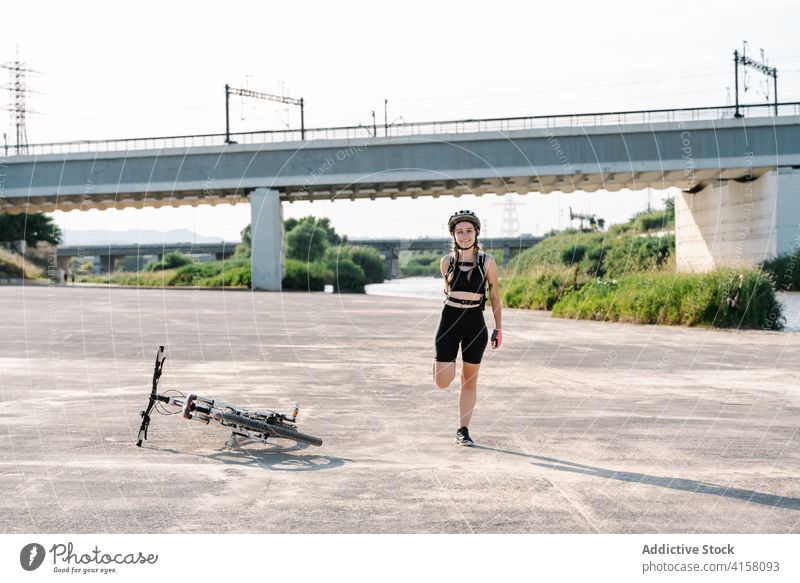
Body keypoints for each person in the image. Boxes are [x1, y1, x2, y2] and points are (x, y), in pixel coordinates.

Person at [433, 209, 502, 446]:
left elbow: (494, 296)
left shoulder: (487, 262)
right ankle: (443, 364)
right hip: (449, 321)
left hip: (475, 324)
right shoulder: (446, 263)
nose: (464, 236)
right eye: (459, 231)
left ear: (476, 233)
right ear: (453, 235)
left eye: (468, 231)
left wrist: (498, 328)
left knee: (469, 380)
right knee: (442, 381)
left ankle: (463, 430)